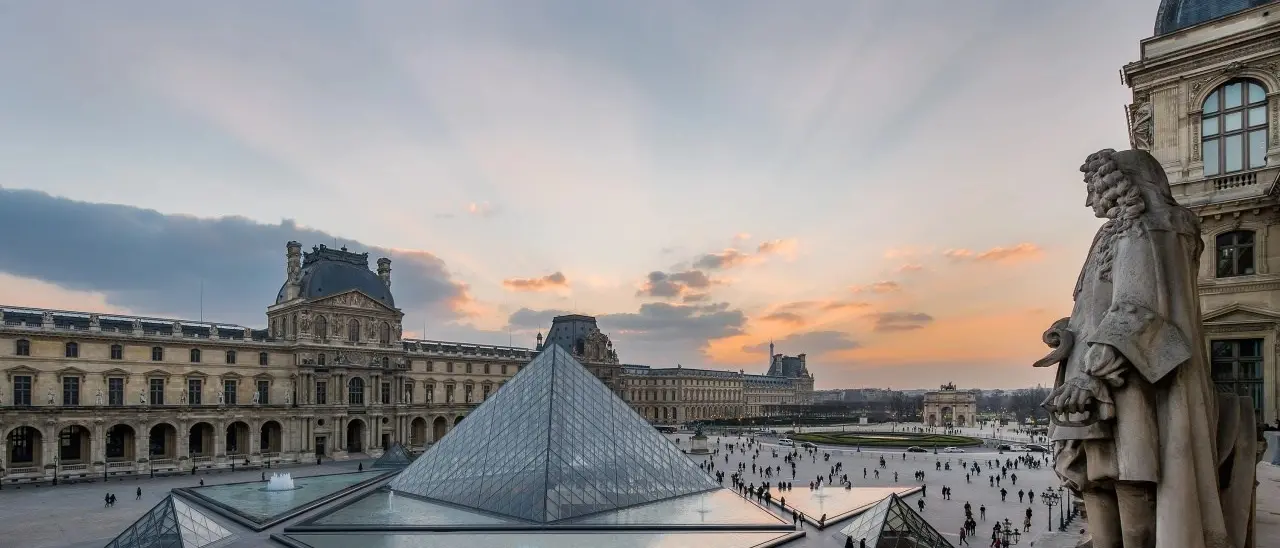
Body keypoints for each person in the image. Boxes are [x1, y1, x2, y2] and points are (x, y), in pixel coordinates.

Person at [1038, 149, 1257, 547]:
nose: (1091, 200)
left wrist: (1090, 375)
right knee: (1096, 474)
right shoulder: (1116, 233)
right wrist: (1067, 331)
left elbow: (1140, 310)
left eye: (1096, 188)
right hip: (1098, 366)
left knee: (1129, 475)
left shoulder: (1155, 229)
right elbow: (1098, 307)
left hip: (1128, 375)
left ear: (1124, 184)